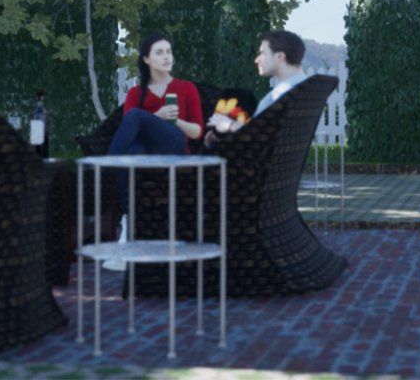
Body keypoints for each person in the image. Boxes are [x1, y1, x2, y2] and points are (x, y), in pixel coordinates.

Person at [102, 33, 203, 268]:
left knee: (136, 116)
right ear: (146, 59)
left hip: (174, 146)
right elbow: (128, 132)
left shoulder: (186, 88)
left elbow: (197, 131)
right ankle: (129, 232)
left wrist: (174, 120)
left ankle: (106, 168)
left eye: (169, 51)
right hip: (144, 153)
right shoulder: (136, 93)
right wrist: (155, 117)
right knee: (132, 152)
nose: (167, 57)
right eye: (160, 52)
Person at [208, 30, 309, 138]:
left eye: (262, 53)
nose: (257, 60)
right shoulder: (304, 87)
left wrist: (228, 125)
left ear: (280, 56)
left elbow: (260, 137)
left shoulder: (284, 95)